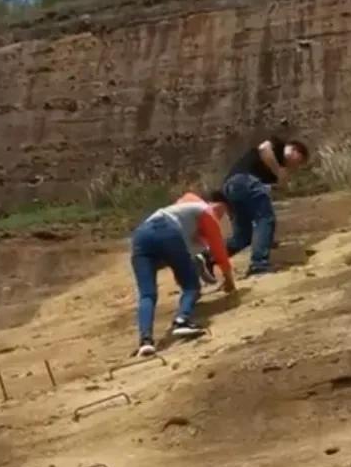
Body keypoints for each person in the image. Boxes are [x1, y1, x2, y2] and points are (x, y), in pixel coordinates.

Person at [129, 192, 236, 357]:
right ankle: (182, 320)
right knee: (191, 286)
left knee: (147, 294)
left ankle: (146, 341)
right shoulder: (206, 212)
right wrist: (229, 280)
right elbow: (218, 250)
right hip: (167, 231)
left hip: (140, 236)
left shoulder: (184, 208)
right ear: (220, 206)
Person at [204, 134, 310, 278]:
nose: (296, 166)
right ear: (295, 151)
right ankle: (259, 264)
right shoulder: (279, 146)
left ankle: (208, 258)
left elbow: (262, 193)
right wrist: (279, 172)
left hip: (233, 187)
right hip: (243, 181)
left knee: (243, 236)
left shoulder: (273, 170)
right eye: (299, 161)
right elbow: (264, 149)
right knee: (265, 218)